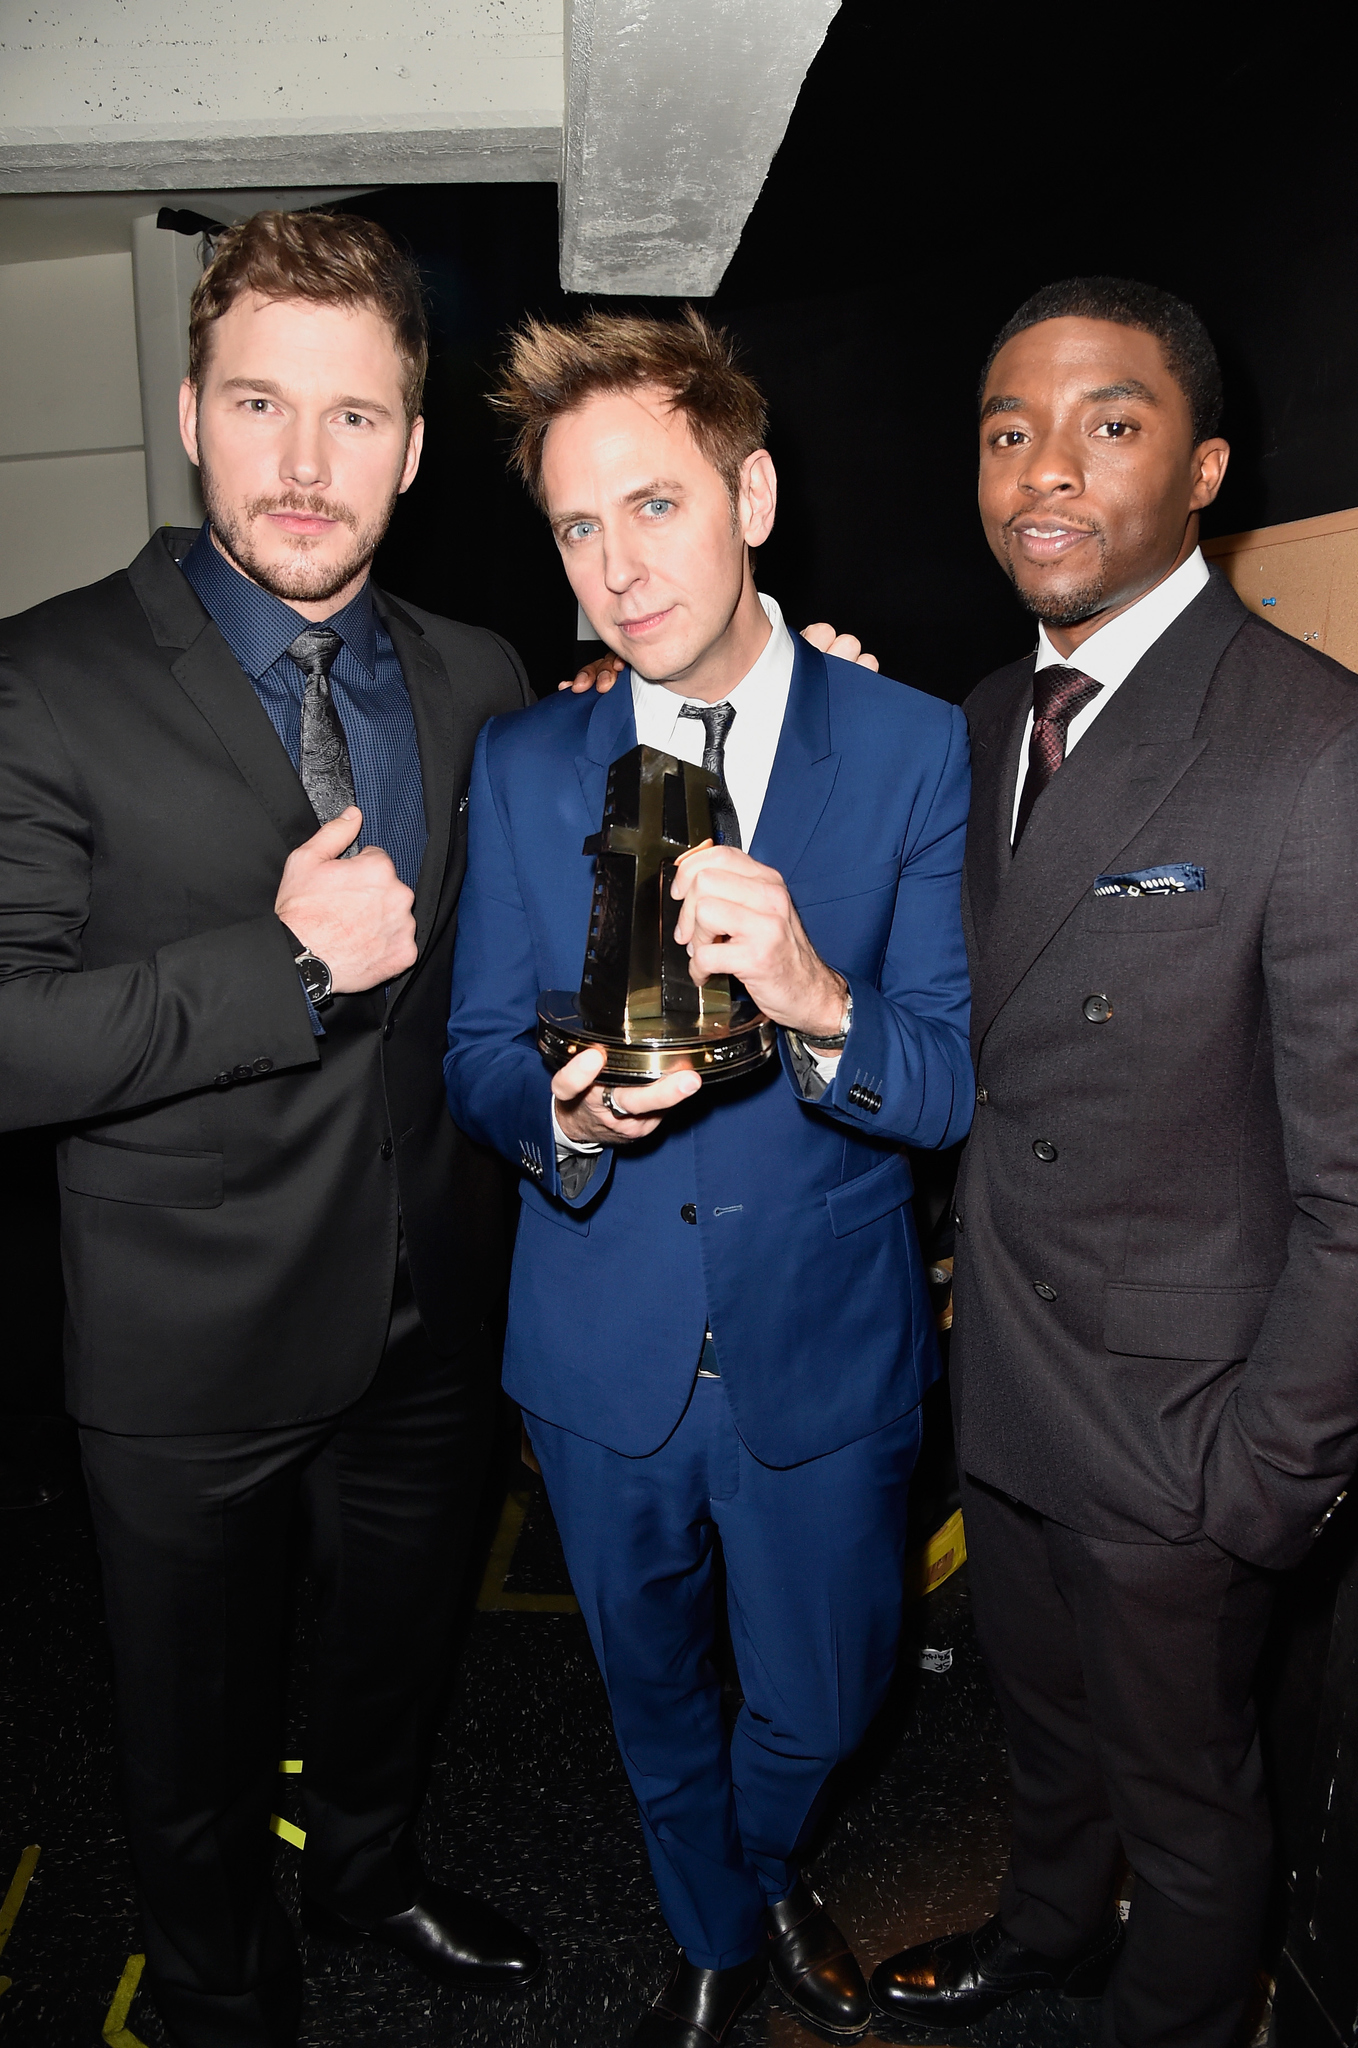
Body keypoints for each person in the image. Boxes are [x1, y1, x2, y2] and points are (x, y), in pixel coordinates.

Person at [0, 210, 541, 2047]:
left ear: (409, 445)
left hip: (438, 1305)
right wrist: (284, 974)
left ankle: (369, 1875)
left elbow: (532, 931)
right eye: (260, 404)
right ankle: (226, 1994)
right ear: (189, 414)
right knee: (193, 1728)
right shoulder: (42, 679)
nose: (305, 464)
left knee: (397, 1661)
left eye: (353, 416)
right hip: (188, 1337)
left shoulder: (479, 678)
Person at [444, 307, 974, 2047]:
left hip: (826, 1349)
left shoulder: (911, 750)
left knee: (828, 1701)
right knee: (649, 1691)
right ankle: (713, 1927)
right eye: (579, 528)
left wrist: (821, 999)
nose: (616, 565)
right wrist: (571, 1124)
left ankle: (743, 1867)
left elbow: (951, 1077)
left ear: (749, 492)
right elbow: (473, 1057)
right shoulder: (526, 763)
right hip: (598, 1359)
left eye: (655, 505)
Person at [860, 280, 1358, 2045]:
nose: (1043, 473)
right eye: (1009, 432)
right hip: (1005, 1378)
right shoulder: (991, 712)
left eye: (1108, 424)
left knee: (1195, 1805)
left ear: (1207, 467)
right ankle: (1052, 1929)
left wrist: (1262, 1474)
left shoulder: (1314, 745)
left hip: (1180, 1430)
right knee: (1045, 1737)